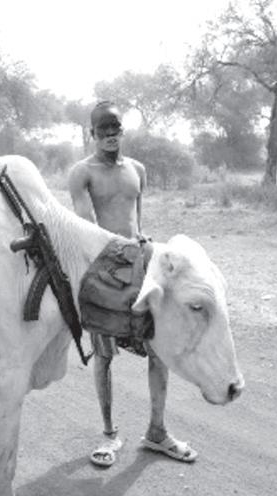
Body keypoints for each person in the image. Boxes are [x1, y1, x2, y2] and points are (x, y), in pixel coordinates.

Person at [68, 101, 197, 467]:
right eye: (103, 130)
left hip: (140, 268)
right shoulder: (82, 173)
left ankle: (157, 432)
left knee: (158, 349)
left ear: (122, 131)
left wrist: (141, 241)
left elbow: (137, 221)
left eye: (116, 129)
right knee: (105, 356)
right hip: (105, 273)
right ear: (93, 134)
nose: (110, 135)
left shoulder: (137, 169)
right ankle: (109, 435)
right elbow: (88, 229)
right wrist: (122, 249)